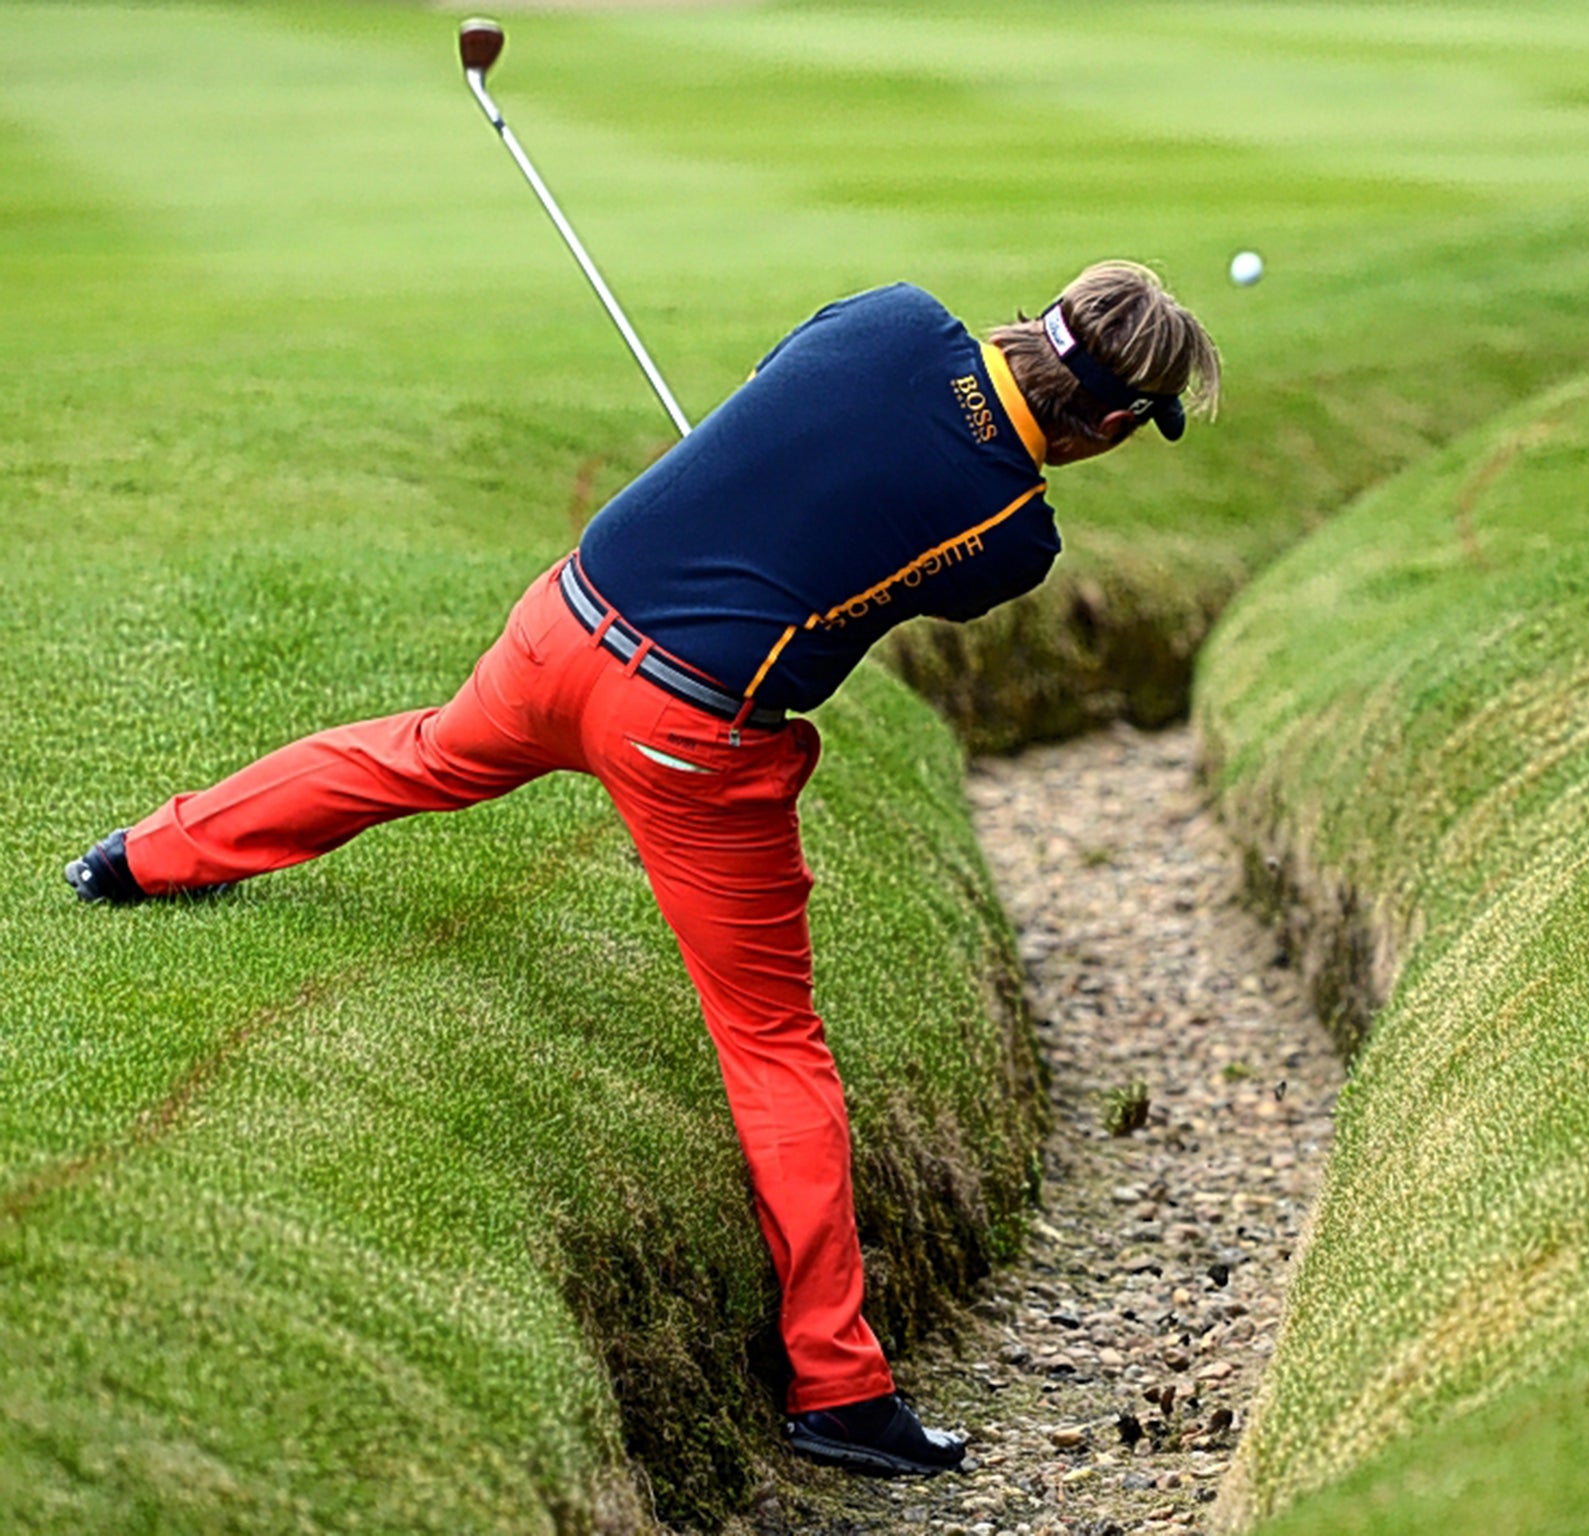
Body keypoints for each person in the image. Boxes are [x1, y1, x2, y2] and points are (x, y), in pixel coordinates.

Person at [64, 260, 1221, 1477]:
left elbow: (791, 395)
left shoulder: (892, 316)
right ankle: (837, 1388)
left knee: (412, 755)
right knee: (771, 1041)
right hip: (684, 729)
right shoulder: (1014, 534)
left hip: (561, 622)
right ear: (1109, 425)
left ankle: (140, 857)